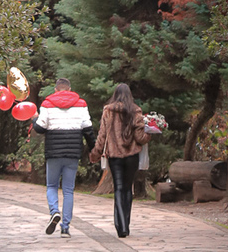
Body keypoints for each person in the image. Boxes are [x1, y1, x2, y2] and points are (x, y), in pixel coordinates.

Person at [33, 77, 94, 237]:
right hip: (73, 152)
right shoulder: (81, 104)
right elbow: (88, 129)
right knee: (68, 190)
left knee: (51, 186)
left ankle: (54, 211)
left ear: (56, 89)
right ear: (70, 89)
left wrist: (34, 118)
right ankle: (65, 228)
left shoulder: (47, 104)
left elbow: (40, 128)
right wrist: (93, 148)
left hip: (53, 151)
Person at [90, 82, 148, 238]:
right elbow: (140, 137)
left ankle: (120, 226)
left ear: (115, 94)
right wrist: (149, 134)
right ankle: (126, 225)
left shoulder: (108, 111)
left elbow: (102, 135)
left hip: (114, 156)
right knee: (128, 189)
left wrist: (95, 153)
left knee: (119, 188)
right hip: (132, 155)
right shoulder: (135, 111)